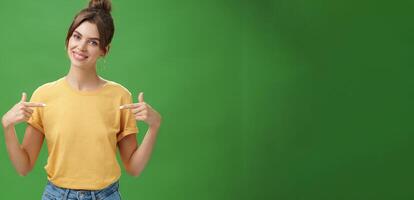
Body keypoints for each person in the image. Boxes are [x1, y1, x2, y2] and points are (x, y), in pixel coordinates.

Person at [1, 0, 162, 199]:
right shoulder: (44, 95)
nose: (81, 47)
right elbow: (24, 167)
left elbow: (134, 167)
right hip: (56, 195)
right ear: (68, 39)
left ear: (104, 50)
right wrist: (7, 126)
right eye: (77, 37)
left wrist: (154, 126)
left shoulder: (120, 96)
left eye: (93, 42)